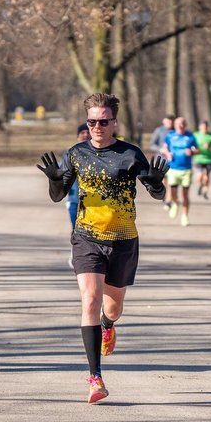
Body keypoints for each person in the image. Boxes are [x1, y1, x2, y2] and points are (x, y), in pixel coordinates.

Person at [37, 93, 168, 404]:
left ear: (114, 123)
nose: (96, 126)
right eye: (91, 121)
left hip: (123, 240)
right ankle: (95, 378)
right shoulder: (76, 154)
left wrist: (158, 183)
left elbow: (156, 193)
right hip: (86, 238)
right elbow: (58, 196)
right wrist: (56, 181)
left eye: (103, 121)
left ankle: (109, 326)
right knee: (90, 300)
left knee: (112, 309)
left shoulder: (130, 154)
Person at [161, 116, 198, 226]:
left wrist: (192, 152)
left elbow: (197, 150)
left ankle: (185, 216)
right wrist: (167, 153)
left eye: (183, 123)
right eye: (178, 124)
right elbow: (164, 148)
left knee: (185, 195)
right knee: (173, 193)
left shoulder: (190, 136)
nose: (180, 126)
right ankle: (175, 203)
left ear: (185, 125)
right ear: (175, 125)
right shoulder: (170, 136)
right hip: (173, 168)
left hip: (186, 170)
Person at [193, 120, 211, 199]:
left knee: (206, 177)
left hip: (208, 160)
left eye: (205, 127)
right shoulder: (195, 135)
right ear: (199, 127)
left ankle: (205, 192)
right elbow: (191, 145)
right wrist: (194, 150)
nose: (204, 129)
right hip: (198, 158)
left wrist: (209, 147)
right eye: (202, 127)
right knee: (199, 177)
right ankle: (201, 185)